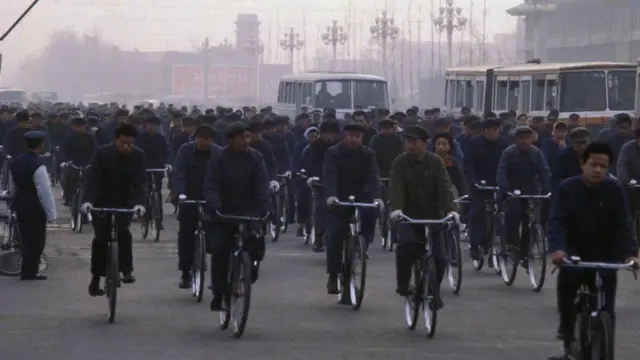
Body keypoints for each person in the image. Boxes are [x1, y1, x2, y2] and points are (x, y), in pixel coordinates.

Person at [547, 142, 639, 360]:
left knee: (608, 306)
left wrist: (631, 254)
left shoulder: (614, 189)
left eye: (603, 166)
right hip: (573, 252)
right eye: (593, 164)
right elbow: (557, 222)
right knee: (567, 288)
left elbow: (623, 224)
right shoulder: (566, 188)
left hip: (605, 253)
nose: (598, 170)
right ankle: (568, 338)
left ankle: (606, 348)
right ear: (582, 164)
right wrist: (558, 249)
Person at [203, 122, 272, 311]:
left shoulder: (256, 157)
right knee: (220, 250)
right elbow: (212, 185)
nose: (246, 141)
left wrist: (265, 208)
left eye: (248, 137)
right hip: (223, 212)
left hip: (249, 211)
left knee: (256, 246)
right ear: (231, 140)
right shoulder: (219, 158)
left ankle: (249, 269)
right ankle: (218, 293)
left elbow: (262, 185)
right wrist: (214, 205)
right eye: (241, 137)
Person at [388, 125, 458, 309]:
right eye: (408, 142)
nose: (411, 146)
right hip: (408, 216)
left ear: (424, 144)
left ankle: (433, 291)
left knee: (440, 258)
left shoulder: (436, 162)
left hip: (433, 216)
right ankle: (403, 284)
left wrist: (451, 210)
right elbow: (396, 188)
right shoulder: (400, 162)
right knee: (406, 245)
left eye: (415, 142)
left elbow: (444, 187)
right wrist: (397, 209)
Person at [82, 124, 147, 296]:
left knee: (123, 233)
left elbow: (140, 182)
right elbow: (92, 179)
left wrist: (139, 203)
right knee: (101, 240)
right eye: (124, 142)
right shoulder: (103, 153)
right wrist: (88, 201)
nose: (127, 147)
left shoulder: (138, 155)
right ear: (116, 139)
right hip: (101, 202)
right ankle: (96, 279)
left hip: (124, 202)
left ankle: (126, 270)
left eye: (130, 144)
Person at [322, 122, 383, 294]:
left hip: (361, 196)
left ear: (362, 138)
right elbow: (329, 174)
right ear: (344, 136)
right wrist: (331, 195)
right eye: (351, 136)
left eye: (357, 136)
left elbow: (373, 175)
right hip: (338, 198)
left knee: (371, 214)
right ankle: (333, 274)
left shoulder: (368, 154)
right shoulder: (333, 152)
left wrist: (377, 197)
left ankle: (363, 243)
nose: (354, 139)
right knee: (334, 235)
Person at [173, 125, 221, 288]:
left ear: (212, 140)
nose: (203, 141)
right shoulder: (185, 150)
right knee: (186, 233)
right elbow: (179, 172)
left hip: (211, 198)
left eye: (207, 139)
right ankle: (185, 272)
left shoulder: (218, 153)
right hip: (189, 196)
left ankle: (217, 278)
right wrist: (180, 193)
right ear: (195, 138)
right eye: (200, 138)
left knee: (217, 235)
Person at [496, 126, 550, 260]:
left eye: (528, 138)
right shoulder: (508, 153)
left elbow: (544, 171)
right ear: (516, 139)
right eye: (522, 138)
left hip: (531, 191)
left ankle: (526, 251)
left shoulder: (537, 153)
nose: (525, 141)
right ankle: (511, 243)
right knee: (513, 213)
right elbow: (502, 172)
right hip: (512, 191)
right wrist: (506, 189)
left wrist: (547, 188)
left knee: (532, 221)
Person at [8, 131, 56, 280]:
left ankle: (26, 270)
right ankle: (30, 272)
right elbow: (44, 191)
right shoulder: (38, 164)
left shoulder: (15, 161)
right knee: (36, 241)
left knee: (24, 238)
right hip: (35, 207)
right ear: (41, 146)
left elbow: (12, 185)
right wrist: (51, 214)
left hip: (20, 204)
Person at [463, 118, 510, 261]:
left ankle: (499, 243)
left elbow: (508, 164)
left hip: (499, 183)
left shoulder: (504, 144)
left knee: (503, 211)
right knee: (478, 211)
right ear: (483, 131)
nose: (494, 132)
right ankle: (475, 244)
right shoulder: (473, 144)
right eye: (491, 130)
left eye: (496, 129)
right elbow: (468, 163)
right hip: (479, 183)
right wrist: (474, 181)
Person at [300, 120, 340, 252]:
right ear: (322, 134)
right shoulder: (315, 147)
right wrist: (313, 178)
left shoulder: (341, 146)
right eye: (327, 134)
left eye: (332, 134)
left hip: (339, 184)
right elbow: (311, 165)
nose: (330, 137)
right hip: (321, 183)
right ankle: (318, 238)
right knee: (320, 207)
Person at [59, 117, 98, 206]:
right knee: (69, 178)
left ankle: (90, 199)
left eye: (81, 126)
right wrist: (66, 161)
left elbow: (95, 151)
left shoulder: (89, 137)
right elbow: (63, 151)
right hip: (73, 163)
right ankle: (67, 197)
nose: (79, 128)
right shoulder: (68, 137)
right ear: (73, 127)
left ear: (85, 126)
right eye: (77, 126)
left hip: (86, 163)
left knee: (91, 180)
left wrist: (92, 162)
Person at [550, 127, 591, 193]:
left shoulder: (594, 154)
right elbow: (556, 180)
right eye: (578, 143)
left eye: (585, 142)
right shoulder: (563, 157)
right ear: (572, 143)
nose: (582, 146)